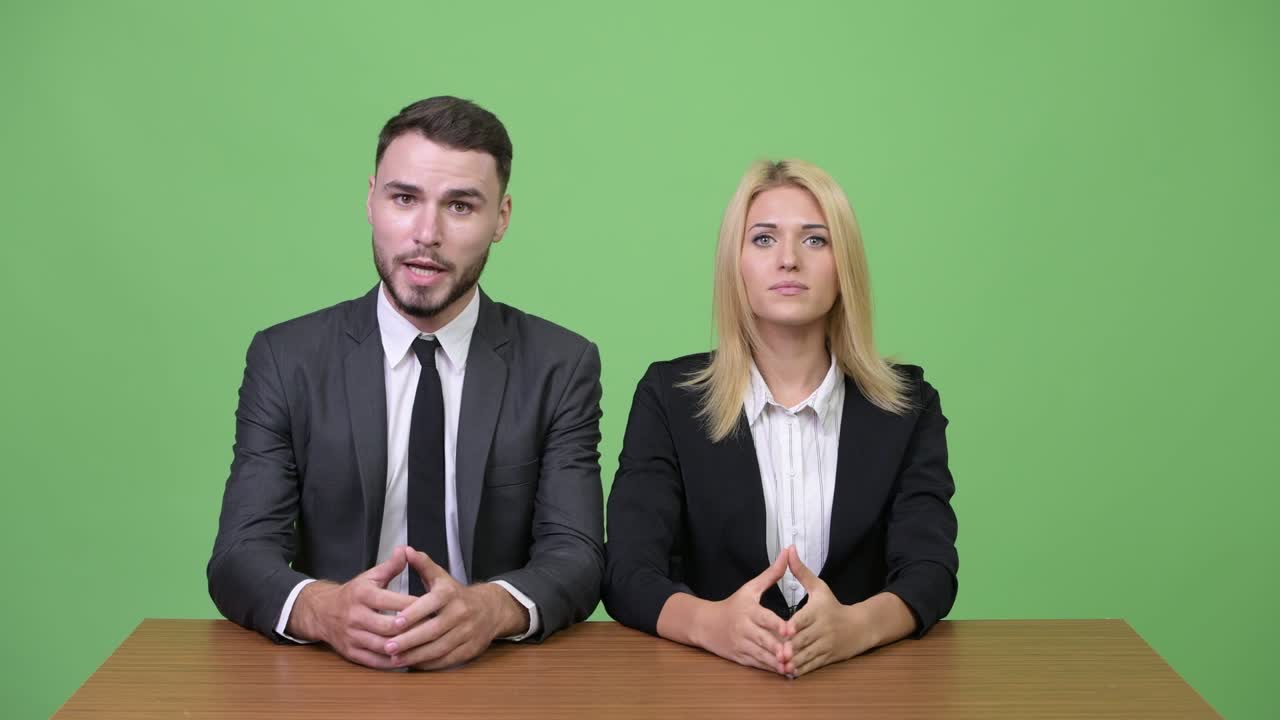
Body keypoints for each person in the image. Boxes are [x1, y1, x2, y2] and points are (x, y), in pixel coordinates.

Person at [208, 96, 604, 670]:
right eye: (404, 198)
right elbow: (240, 553)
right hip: (332, 676)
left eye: (461, 206)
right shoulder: (286, 358)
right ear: (370, 200)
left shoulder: (560, 365)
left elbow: (577, 554)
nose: (427, 233)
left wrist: (490, 609)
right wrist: (323, 609)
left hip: (493, 675)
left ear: (502, 218)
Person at [602, 159, 958, 677]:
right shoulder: (669, 397)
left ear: (845, 265)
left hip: (863, 687)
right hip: (703, 686)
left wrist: (855, 629)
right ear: (735, 262)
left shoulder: (909, 405)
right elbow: (628, 570)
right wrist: (711, 624)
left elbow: (930, 570)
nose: (788, 260)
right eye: (764, 239)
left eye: (815, 240)